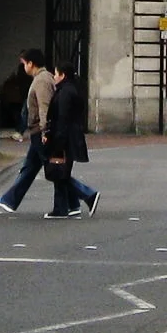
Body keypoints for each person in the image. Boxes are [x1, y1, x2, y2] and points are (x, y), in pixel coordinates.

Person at [0, 50, 53, 212]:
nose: (23, 67)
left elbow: (44, 108)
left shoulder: (41, 80)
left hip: (38, 131)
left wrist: (45, 131)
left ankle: (85, 194)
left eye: (24, 63)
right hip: (36, 131)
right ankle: (10, 199)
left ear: (31, 63)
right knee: (30, 167)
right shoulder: (42, 78)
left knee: (53, 169)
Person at [42, 57, 97, 219]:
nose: (54, 76)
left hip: (65, 140)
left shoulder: (65, 92)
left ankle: (87, 195)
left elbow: (62, 119)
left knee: (60, 173)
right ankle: (62, 207)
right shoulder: (69, 89)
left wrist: (56, 141)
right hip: (68, 138)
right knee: (61, 174)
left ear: (63, 75)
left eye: (56, 73)